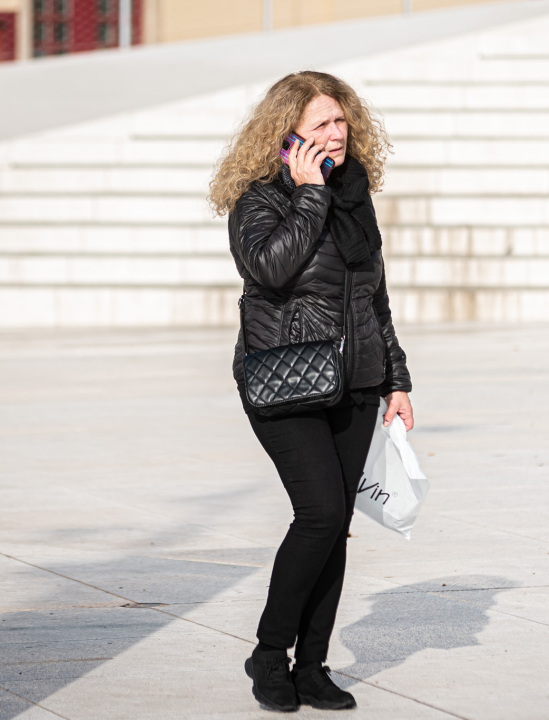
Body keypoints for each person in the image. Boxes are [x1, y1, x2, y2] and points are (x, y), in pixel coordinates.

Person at [208, 71, 413, 712]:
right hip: (285, 381)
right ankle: (270, 654)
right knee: (320, 512)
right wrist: (309, 196)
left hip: (356, 382)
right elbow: (269, 268)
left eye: (341, 120)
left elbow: (375, 298)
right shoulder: (260, 199)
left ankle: (313, 665)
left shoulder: (354, 195)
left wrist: (397, 379)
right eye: (321, 123)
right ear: (287, 133)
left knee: (336, 525)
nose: (336, 132)